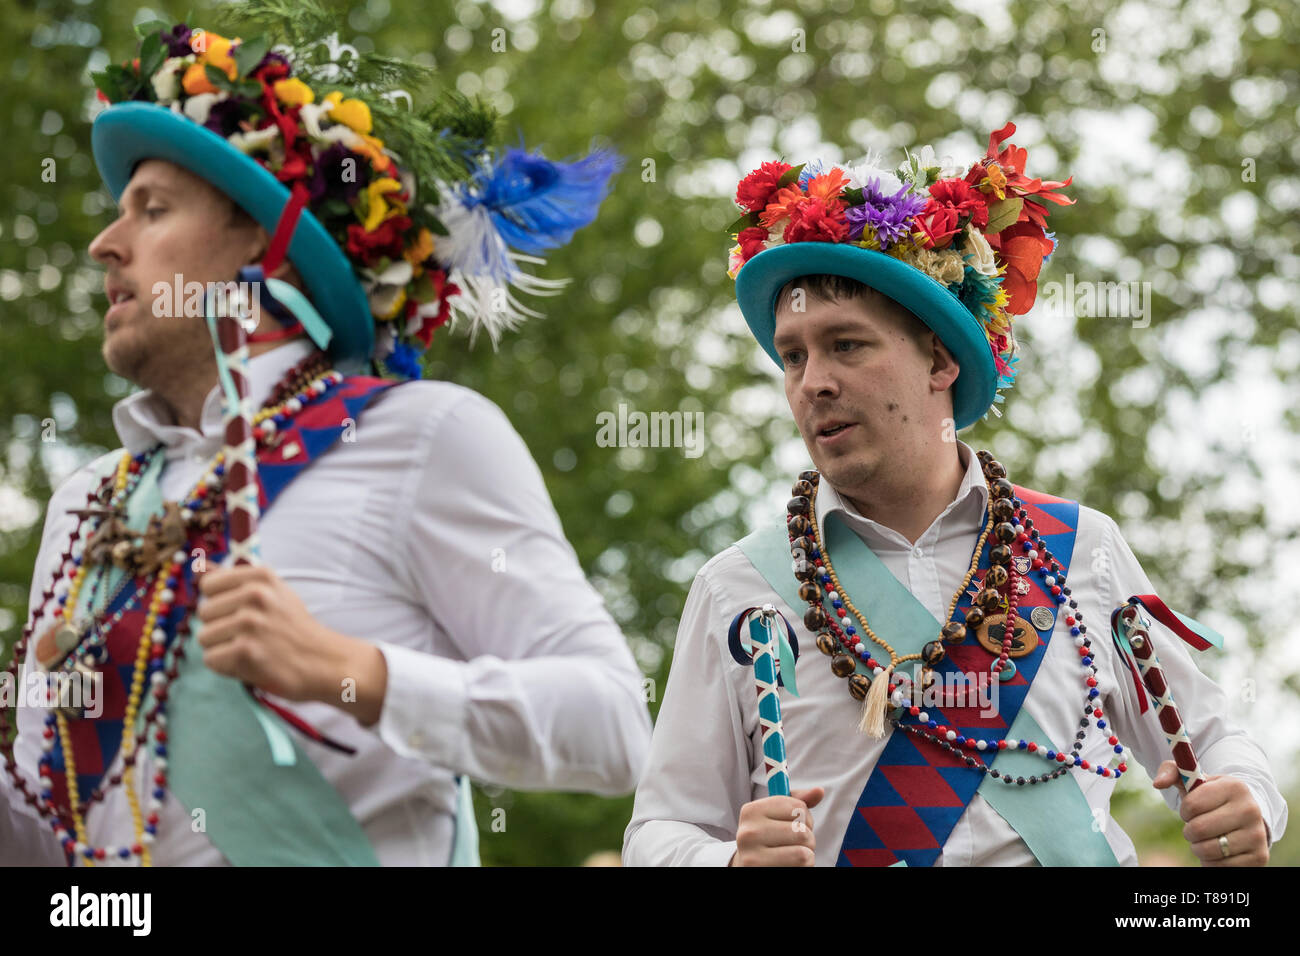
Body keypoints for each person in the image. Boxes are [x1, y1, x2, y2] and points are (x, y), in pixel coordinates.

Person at [1, 13, 650, 866]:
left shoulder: (422, 435)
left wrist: (354, 670)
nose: (103, 245)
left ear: (272, 250)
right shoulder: (84, 504)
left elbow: (615, 725)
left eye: (151, 210)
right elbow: (62, 853)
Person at [623, 124, 1287, 866]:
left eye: (847, 344)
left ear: (938, 359)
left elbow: (1215, 739)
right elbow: (661, 831)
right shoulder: (736, 590)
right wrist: (729, 862)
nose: (813, 382)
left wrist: (1247, 797)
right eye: (793, 356)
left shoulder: (1082, 550)